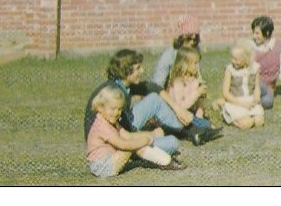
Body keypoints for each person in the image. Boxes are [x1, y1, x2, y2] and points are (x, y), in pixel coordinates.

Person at [83, 49, 220, 155]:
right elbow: (123, 135)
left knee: (154, 99)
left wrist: (178, 109)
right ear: (126, 71)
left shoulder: (122, 84)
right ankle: (193, 130)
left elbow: (152, 87)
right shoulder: (115, 95)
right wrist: (152, 135)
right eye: (138, 68)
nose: (142, 71)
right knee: (172, 143)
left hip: (122, 130)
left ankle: (193, 130)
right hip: (111, 144)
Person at [86, 83, 185, 176]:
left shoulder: (111, 121)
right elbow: (123, 144)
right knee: (133, 146)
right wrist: (143, 141)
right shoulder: (101, 126)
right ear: (100, 108)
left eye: (119, 109)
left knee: (135, 143)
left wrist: (149, 136)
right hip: (102, 166)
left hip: (111, 158)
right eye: (113, 109)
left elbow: (127, 135)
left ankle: (165, 160)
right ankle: (166, 161)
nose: (116, 113)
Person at [165, 46, 214, 135]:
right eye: (195, 63)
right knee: (204, 125)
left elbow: (198, 104)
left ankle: (198, 130)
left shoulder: (194, 80)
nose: (197, 67)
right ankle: (195, 132)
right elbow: (181, 107)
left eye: (198, 63)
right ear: (185, 64)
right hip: (175, 115)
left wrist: (199, 116)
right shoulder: (178, 82)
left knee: (205, 123)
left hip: (189, 115)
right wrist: (197, 93)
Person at [250, 15, 281, 109]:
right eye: (253, 33)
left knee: (268, 102)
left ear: (266, 32)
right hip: (253, 84)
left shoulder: (279, 45)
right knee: (258, 88)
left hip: (268, 88)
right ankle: (243, 101)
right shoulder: (252, 47)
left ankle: (247, 103)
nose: (254, 36)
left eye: (257, 33)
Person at [220, 40, 265, 129]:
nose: (233, 61)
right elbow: (225, 93)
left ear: (246, 59)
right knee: (247, 123)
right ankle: (229, 116)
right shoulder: (230, 70)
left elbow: (256, 87)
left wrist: (256, 98)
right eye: (232, 57)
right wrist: (242, 104)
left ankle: (248, 117)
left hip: (249, 100)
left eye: (236, 59)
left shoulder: (255, 68)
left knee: (259, 122)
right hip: (235, 102)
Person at [151, 15, 201, 89]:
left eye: (195, 39)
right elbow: (157, 85)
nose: (192, 42)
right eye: (189, 38)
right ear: (181, 37)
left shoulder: (195, 49)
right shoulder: (168, 56)